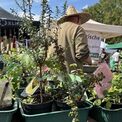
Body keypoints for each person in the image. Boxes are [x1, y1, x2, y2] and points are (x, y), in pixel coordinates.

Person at [56, 5, 92, 72]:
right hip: (71, 75)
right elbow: (81, 54)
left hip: (52, 74)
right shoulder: (78, 29)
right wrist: (90, 61)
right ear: (78, 18)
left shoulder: (54, 30)